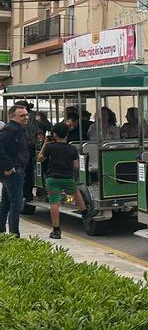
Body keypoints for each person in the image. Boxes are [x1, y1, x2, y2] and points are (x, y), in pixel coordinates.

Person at [38, 123, 87, 240]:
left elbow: (40, 158)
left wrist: (45, 143)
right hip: (68, 177)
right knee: (76, 192)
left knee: (54, 203)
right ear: (67, 134)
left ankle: (56, 230)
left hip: (52, 178)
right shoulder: (72, 148)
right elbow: (76, 166)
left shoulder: (50, 147)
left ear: (54, 134)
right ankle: (84, 211)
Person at [0, 103, 32, 236]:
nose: (26, 117)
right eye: (22, 115)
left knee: (7, 202)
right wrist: (8, 167)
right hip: (13, 172)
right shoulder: (10, 129)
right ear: (13, 116)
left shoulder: (19, 129)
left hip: (17, 170)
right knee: (16, 204)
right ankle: (14, 235)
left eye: (26, 115)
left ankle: (2, 231)